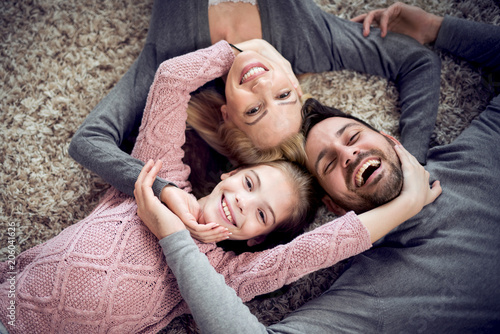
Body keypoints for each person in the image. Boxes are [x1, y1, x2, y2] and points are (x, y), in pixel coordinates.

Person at [0, 40, 440, 334]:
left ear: (257, 238)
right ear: (229, 174)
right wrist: (250, 54)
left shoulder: (228, 275)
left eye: (262, 214)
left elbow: (327, 244)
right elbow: (172, 78)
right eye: (249, 183)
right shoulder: (158, 174)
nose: (243, 203)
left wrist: (408, 202)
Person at [153, 3, 500, 333]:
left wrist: (438, 28)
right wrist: (176, 238)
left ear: (388, 137)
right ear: (333, 205)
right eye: (329, 163)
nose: (348, 154)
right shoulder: (376, 291)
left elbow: (419, 63)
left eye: (353, 135)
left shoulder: (481, 148)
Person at [68, 0, 441, 207]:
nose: (262, 85)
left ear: (226, 115)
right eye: (282, 96)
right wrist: (412, 162)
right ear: (295, 83)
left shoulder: (169, 63)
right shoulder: (313, 41)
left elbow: (87, 142)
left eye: (254, 110)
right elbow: (418, 59)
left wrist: (162, 188)